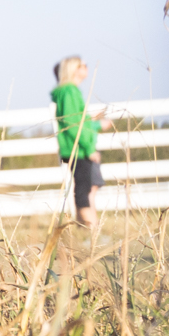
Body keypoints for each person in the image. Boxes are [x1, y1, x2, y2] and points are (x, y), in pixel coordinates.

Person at [52, 55, 107, 229]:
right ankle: (91, 230)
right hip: (78, 150)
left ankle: (87, 229)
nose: (86, 68)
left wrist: (94, 122)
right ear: (74, 69)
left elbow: (78, 120)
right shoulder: (69, 91)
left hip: (76, 148)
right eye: (83, 65)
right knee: (84, 190)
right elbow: (74, 123)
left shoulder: (70, 91)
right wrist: (88, 147)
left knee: (85, 188)